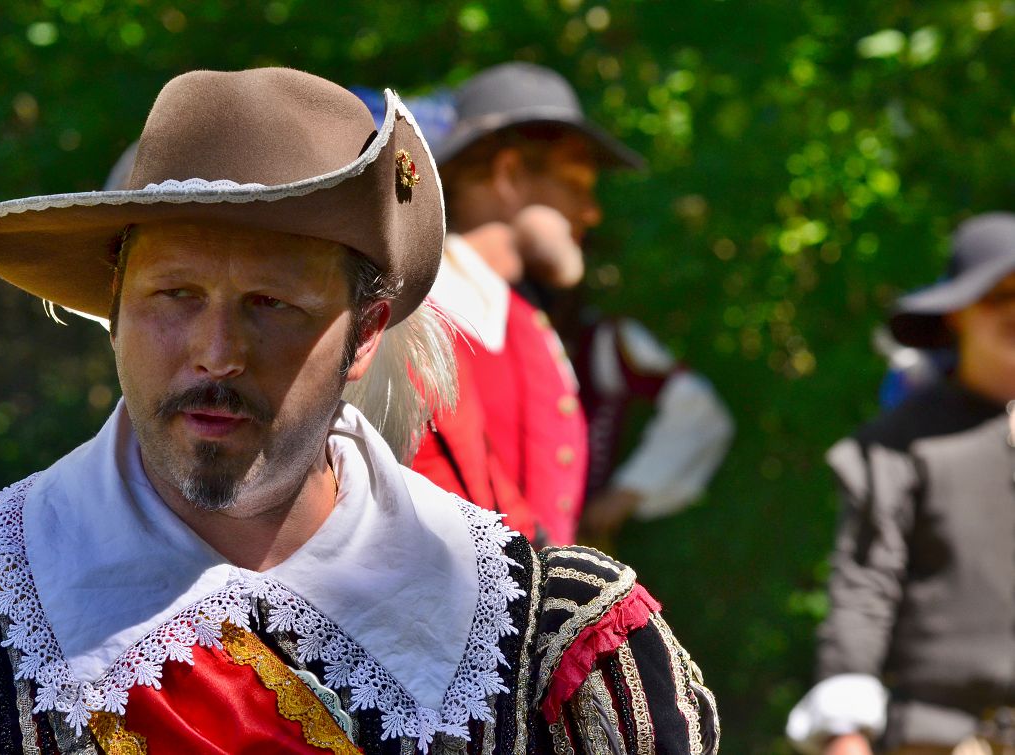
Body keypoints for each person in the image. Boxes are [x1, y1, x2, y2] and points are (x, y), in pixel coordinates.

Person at [0, 68, 717, 753]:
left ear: (365, 334)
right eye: (175, 294)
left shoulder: (549, 652)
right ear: (116, 308)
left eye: (271, 303)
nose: (217, 352)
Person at [409, 62, 732, 546]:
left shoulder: (525, 321)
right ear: (509, 175)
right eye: (576, 185)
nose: (592, 212)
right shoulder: (413, 314)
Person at [786, 213, 1015, 754]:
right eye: (997, 296)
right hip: (942, 740)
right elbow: (864, 588)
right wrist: (845, 733)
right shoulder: (898, 445)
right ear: (957, 313)